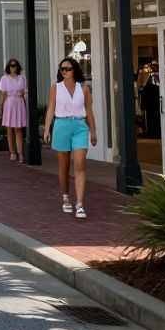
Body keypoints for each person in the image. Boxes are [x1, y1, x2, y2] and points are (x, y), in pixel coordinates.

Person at [43, 59, 97, 220]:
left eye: (68, 68)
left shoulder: (83, 88)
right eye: (62, 69)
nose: (65, 71)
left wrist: (93, 131)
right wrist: (47, 128)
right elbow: (51, 107)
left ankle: (79, 204)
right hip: (61, 125)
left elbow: (89, 110)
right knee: (64, 166)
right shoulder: (55, 88)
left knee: (79, 164)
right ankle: (65, 197)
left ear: (75, 70)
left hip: (80, 126)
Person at [0, 58, 28, 163]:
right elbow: (3, 94)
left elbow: (25, 93)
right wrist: (0, 109)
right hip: (9, 103)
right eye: (11, 66)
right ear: (8, 67)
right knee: (9, 128)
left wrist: (26, 100)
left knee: (18, 129)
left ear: (18, 67)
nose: (13, 67)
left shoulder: (22, 78)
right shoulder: (4, 78)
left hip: (19, 102)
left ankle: (20, 153)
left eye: (15, 65)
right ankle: (12, 152)